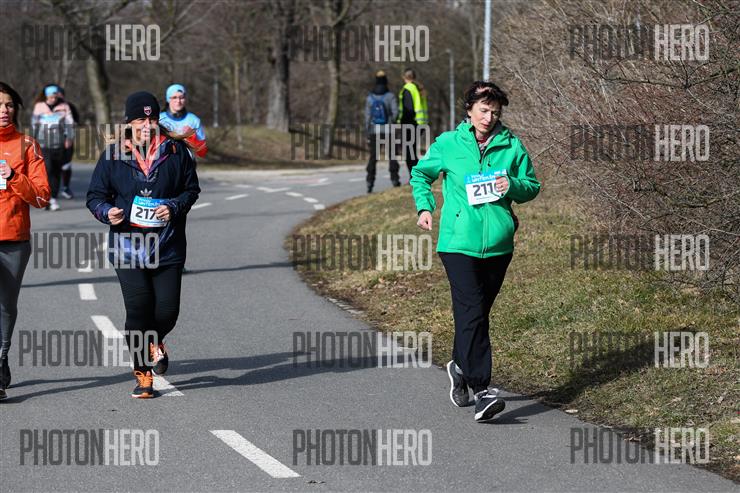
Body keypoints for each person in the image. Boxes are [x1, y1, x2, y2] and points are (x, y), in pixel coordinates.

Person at [410, 81, 540, 422]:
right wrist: (425, 207)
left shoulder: (511, 146)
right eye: (483, 110)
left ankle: (458, 365)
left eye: (495, 112)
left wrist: (512, 185)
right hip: (457, 244)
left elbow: (532, 186)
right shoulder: (448, 144)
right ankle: (483, 390)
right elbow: (420, 174)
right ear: (469, 110)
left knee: (476, 314)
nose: (489, 117)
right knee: (471, 313)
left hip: (498, 245)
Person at [87, 91, 200, 399]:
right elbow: (95, 196)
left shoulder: (175, 151)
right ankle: (143, 373)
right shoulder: (113, 156)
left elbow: (191, 190)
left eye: (152, 119)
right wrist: (107, 212)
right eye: (140, 119)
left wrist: (174, 207)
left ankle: (154, 340)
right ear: (129, 122)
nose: (147, 125)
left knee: (167, 311)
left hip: (167, 246)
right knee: (138, 308)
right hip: (128, 246)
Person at [0, 82, 51, 400]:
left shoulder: (27, 145)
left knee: (5, 306)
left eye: (8, 104)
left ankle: (1, 356)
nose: (4, 110)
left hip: (13, 239)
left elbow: (42, 197)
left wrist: (14, 177)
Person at [31, 84, 75, 211]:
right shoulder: (39, 106)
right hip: (43, 144)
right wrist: (33, 141)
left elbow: (70, 123)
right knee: (48, 169)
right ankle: (46, 196)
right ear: (46, 96)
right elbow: (34, 124)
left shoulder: (64, 106)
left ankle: (53, 198)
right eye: (50, 97)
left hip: (59, 144)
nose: (53, 99)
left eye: (55, 96)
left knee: (56, 171)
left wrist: (69, 138)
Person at [364, 70, 400, 193]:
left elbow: (367, 117)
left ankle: (370, 182)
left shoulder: (370, 98)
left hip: (374, 131)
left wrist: (367, 131)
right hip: (389, 131)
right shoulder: (390, 96)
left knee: (373, 157)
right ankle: (395, 179)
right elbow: (396, 113)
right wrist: (391, 121)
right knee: (392, 156)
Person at [159, 83, 208, 159]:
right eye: (174, 97)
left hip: (187, 163)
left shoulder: (194, 120)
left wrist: (192, 137)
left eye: (181, 97)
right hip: (163, 162)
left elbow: (202, 152)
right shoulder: (159, 119)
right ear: (168, 99)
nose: (178, 101)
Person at [397, 68, 428, 178]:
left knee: (409, 152)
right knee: (412, 151)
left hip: (410, 124)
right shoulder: (418, 88)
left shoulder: (408, 89)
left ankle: (415, 177)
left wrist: (400, 122)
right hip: (420, 123)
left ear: (404, 77)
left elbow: (408, 110)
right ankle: (416, 176)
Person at [58, 87, 80, 199]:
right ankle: (50, 190)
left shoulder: (69, 107)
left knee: (66, 165)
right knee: (50, 166)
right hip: (49, 142)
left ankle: (66, 188)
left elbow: (75, 122)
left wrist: (69, 137)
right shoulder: (45, 108)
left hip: (66, 140)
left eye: (59, 94)